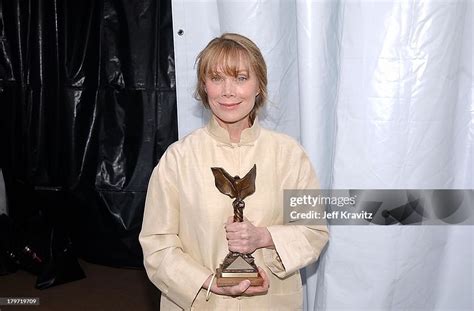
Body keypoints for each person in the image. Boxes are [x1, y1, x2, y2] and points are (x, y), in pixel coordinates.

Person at [139, 33, 329, 310]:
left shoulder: (289, 155)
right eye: (216, 78)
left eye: (240, 78)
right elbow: (157, 245)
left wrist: (264, 237)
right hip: (202, 303)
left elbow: (313, 231)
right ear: (204, 87)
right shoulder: (177, 159)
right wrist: (208, 281)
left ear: (259, 86)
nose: (228, 90)